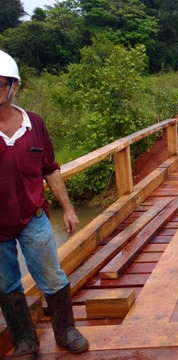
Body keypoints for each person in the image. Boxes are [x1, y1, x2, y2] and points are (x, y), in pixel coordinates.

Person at [0, 50, 89, 359]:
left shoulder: (34, 123)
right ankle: (25, 339)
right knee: (6, 283)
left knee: (52, 275)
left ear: (14, 87)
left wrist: (68, 208)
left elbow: (50, 168)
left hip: (33, 218)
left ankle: (66, 332)